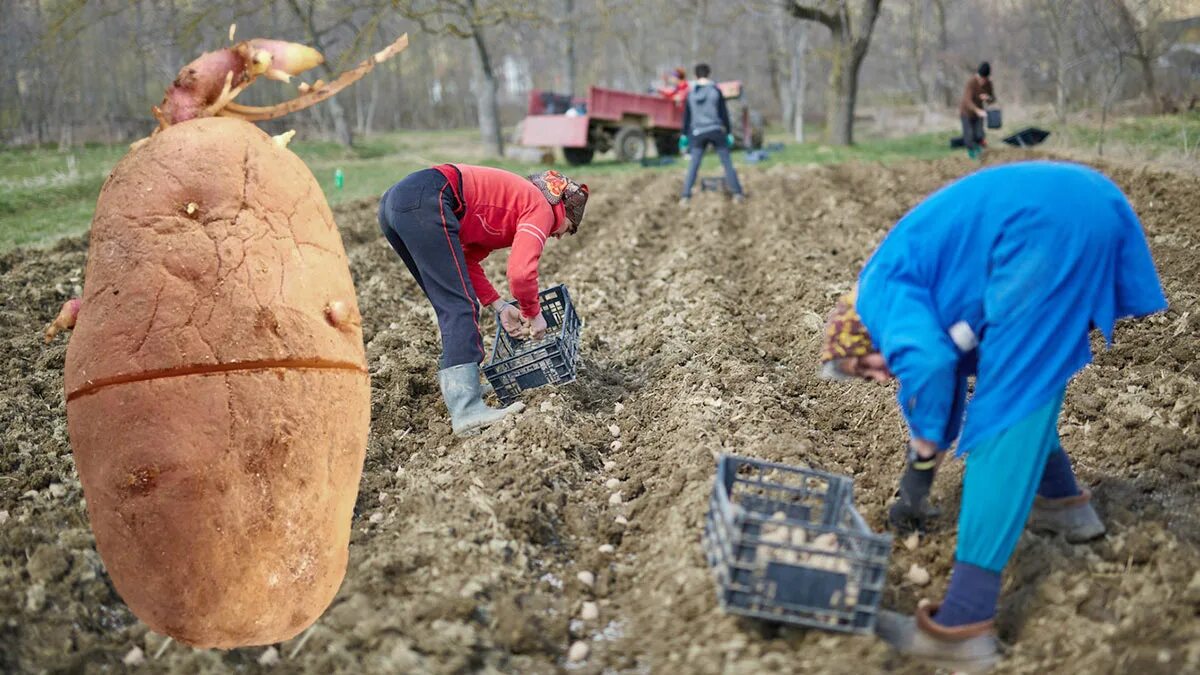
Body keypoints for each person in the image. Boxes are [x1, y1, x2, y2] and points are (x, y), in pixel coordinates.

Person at [818, 161, 1166, 671]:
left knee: (1007, 408)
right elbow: (944, 367)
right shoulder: (902, 291)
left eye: (865, 367)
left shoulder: (877, 296)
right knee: (1030, 380)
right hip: (1075, 205)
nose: (877, 378)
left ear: (863, 336)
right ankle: (1064, 506)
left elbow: (931, 362)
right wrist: (922, 459)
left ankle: (962, 622)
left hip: (1044, 228)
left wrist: (926, 446)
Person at [378, 165, 588, 436]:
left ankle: (466, 392)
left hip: (397, 202)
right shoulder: (540, 209)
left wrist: (499, 306)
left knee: (451, 302)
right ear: (561, 208)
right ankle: (467, 410)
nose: (559, 236)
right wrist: (533, 313)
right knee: (458, 305)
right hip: (427, 197)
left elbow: (465, 259)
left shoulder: (510, 205)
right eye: (567, 227)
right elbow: (521, 274)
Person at [679, 63, 745, 205]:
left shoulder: (691, 94)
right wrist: (728, 132)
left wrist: (684, 134)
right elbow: (723, 114)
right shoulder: (716, 91)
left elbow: (687, 117)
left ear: (696, 75)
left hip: (697, 133)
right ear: (709, 74)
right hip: (716, 131)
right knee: (727, 163)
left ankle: (685, 196)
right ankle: (737, 193)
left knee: (694, 165)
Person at [959, 62, 995, 160]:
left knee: (979, 134)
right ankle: (972, 154)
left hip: (979, 113)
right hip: (967, 112)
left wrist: (988, 98)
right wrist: (977, 110)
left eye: (984, 79)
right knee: (969, 135)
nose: (982, 81)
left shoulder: (988, 84)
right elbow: (967, 100)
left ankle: (981, 153)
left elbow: (992, 99)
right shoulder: (971, 82)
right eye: (981, 79)